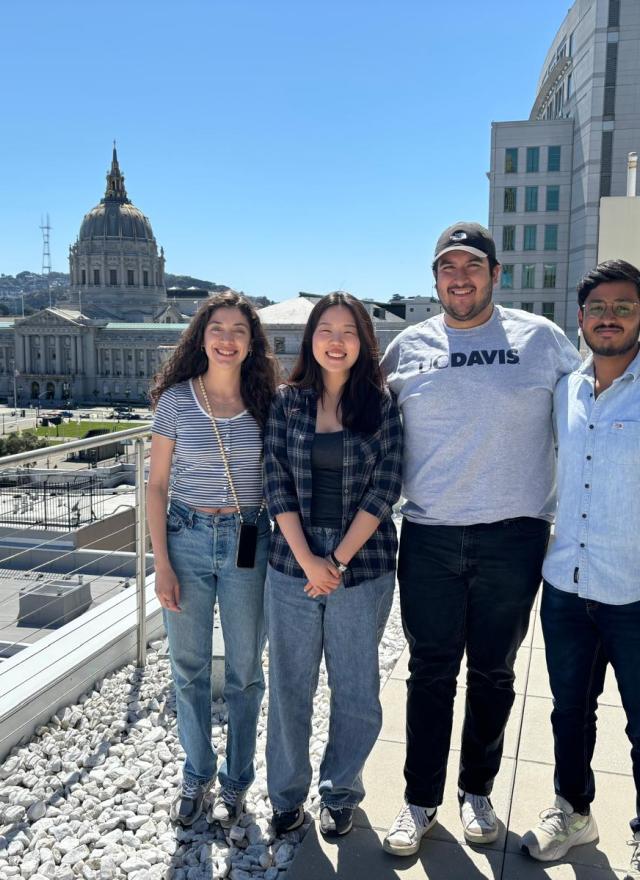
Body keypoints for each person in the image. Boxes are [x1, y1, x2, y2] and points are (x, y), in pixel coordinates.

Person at [380, 222, 581, 856]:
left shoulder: (542, 340)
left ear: (497, 274)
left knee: (494, 673)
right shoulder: (408, 346)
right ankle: (419, 801)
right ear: (435, 278)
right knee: (430, 671)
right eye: (447, 268)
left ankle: (477, 790)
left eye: (473, 266)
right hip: (431, 535)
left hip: (514, 536)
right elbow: (357, 414)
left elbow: (590, 413)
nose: (459, 278)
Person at [263, 292, 402, 838]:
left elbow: (387, 484)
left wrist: (335, 563)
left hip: (361, 565)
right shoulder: (287, 401)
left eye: (348, 330)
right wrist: (307, 561)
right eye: (326, 329)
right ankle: (286, 794)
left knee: (355, 688)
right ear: (311, 339)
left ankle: (341, 792)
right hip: (290, 561)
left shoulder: (381, 403)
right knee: (290, 684)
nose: (336, 340)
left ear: (364, 341)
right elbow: (274, 479)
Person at [521, 260, 640, 880]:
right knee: (570, 710)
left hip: (635, 590)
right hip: (566, 584)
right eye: (598, 308)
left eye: (623, 307)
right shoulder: (565, 386)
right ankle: (573, 810)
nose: (610, 318)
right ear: (581, 318)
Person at [147, 291, 278, 828]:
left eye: (238, 331)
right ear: (201, 337)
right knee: (189, 667)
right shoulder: (177, 400)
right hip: (187, 535)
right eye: (217, 329)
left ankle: (237, 780)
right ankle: (197, 772)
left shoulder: (268, 401)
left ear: (252, 343)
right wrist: (163, 564)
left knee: (246, 671)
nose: (227, 339)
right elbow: (155, 486)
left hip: (250, 539)